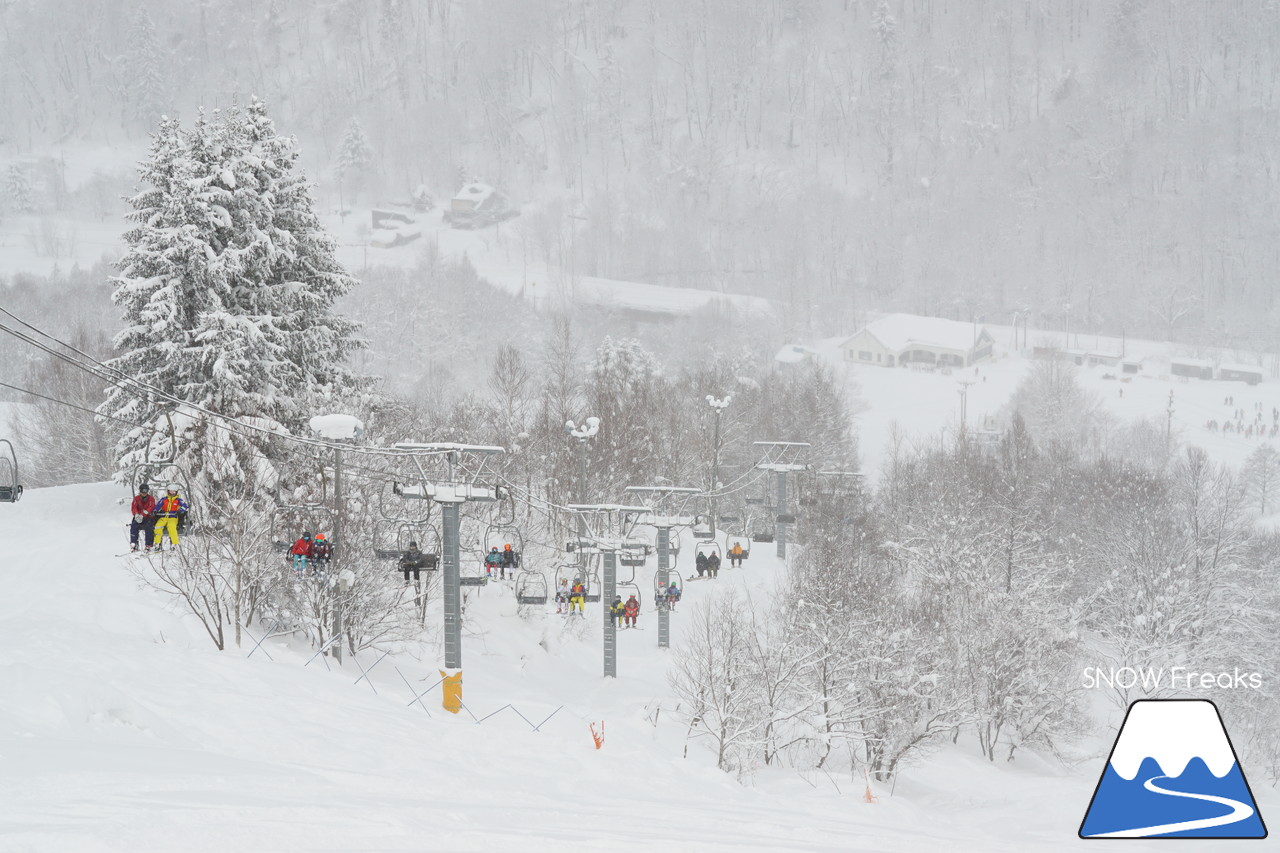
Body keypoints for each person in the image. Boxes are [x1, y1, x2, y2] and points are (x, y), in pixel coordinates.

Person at [152, 484, 188, 551]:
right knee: (158, 526)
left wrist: (180, 510)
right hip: (164, 516)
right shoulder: (164, 499)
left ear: (176, 492)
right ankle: (157, 543)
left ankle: (174, 544)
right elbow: (158, 506)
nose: (172, 493)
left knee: (171, 526)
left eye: (173, 492)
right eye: (170, 491)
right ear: (168, 492)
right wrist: (155, 511)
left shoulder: (178, 500)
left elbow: (185, 506)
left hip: (173, 517)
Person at [129, 483, 157, 552]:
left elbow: (151, 507)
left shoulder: (151, 499)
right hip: (138, 517)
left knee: (149, 527)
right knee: (134, 526)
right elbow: (134, 507)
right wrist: (136, 514)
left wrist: (143, 514)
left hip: (148, 517)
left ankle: (148, 544)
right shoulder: (136, 498)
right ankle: (134, 543)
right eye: (142, 492)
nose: (144, 493)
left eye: (145, 492)